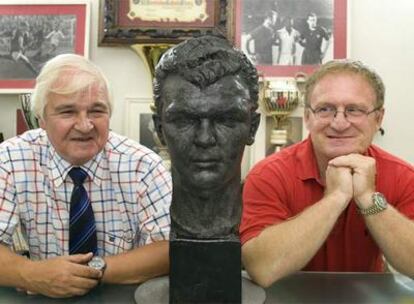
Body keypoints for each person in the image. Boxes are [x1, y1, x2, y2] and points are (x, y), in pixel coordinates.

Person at [0, 54, 172, 298]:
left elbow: (171, 249)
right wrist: (31, 274)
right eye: (68, 112)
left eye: (96, 111)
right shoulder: (10, 159)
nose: (85, 125)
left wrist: (93, 270)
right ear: (42, 120)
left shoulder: (143, 166)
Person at [240, 59, 414, 287]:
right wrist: (335, 198)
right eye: (325, 109)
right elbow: (263, 269)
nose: (339, 123)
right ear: (307, 117)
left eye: (354, 110)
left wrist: (369, 199)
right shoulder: (268, 175)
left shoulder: (403, 176)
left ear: (378, 119)